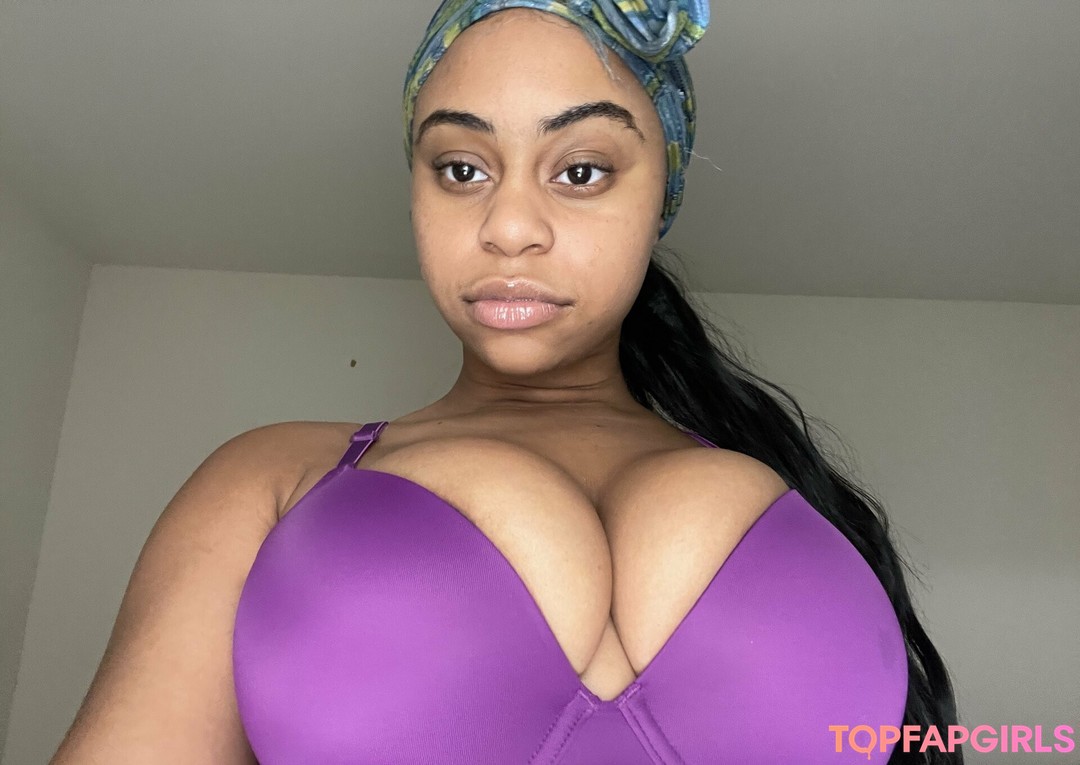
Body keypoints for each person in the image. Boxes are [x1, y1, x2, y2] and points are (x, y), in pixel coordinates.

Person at [51, 1, 961, 763]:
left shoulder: (803, 502)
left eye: (581, 170)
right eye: (461, 168)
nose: (510, 226)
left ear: (661, 194)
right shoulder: (271, 479)